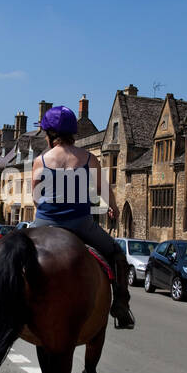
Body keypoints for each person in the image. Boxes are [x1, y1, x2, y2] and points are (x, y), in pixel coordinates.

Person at [28, 105, 135, 329]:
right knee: (116, 252)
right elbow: (104, 189)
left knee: (16, 249)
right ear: (72, 133)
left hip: (45, 224)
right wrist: (112, 206)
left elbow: (35, 198)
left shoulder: (41, 161)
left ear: (49, 134)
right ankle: (121, 305)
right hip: (80, 224)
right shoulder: (88, 158)